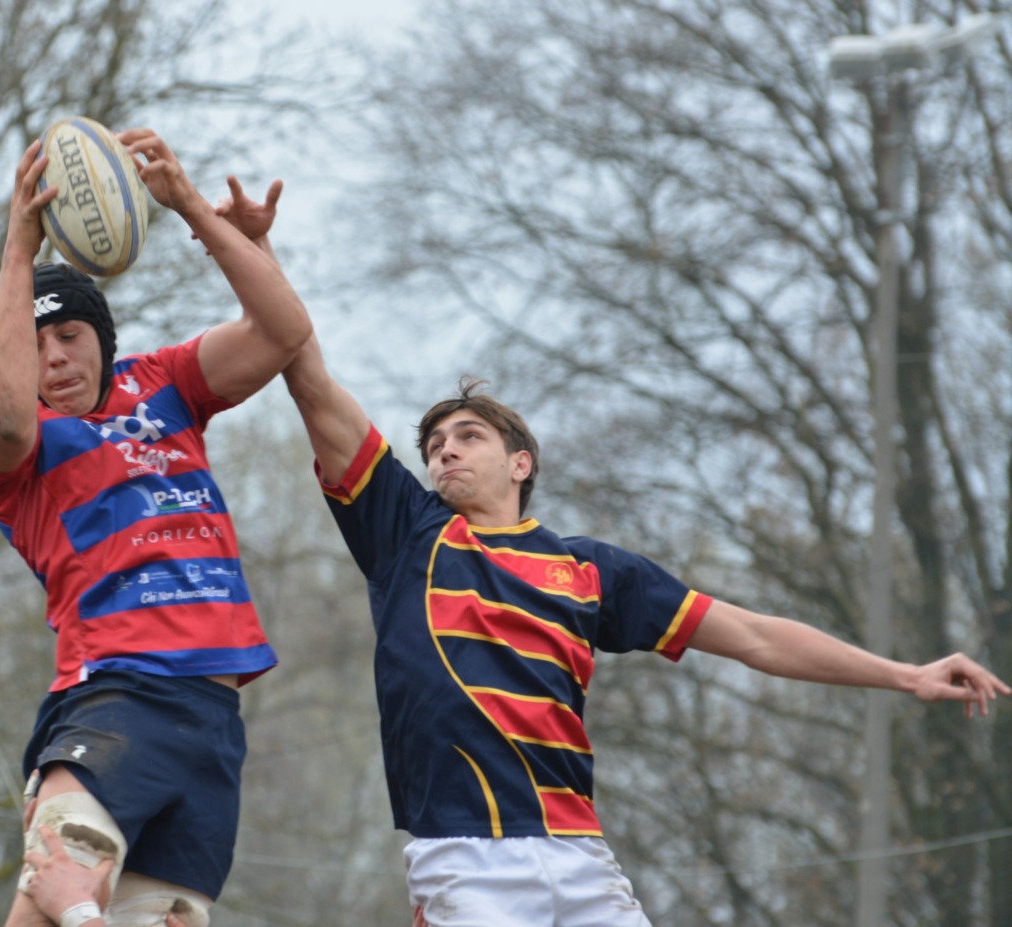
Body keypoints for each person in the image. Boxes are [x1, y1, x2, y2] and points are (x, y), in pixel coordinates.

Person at [202, 186, 1011, 925]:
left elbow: (756, 636)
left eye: (468, 435)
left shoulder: (591, 570)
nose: (444, 449)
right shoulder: (406, 533)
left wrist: (905, 674)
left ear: (520, 462)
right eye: (435, 442)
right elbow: (308, 376)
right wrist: (254, 249)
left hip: (582, 857)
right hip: (467, 860)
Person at [0, 128, 311, 927]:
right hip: (119, 693)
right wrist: (19, 248)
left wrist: (190, 206)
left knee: (161, 916)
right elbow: (6, 417)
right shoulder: (17, 445)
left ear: (102, 339)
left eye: (69, 335)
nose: (54, 357)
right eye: (36, 343)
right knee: (59, 873)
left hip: (215, 716)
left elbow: (284, 330)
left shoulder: (164, 384)